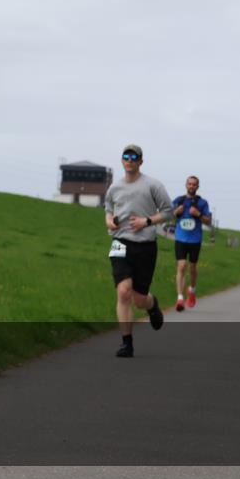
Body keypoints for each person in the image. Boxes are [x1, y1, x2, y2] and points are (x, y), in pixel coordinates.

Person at [105, 144, 174, 358]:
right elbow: (108, 210)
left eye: (134, 157)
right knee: (123, 291)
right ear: (122, 160)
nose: (130, 160)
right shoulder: (114, 188)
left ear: (141, 161)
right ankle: (127, 343)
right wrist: (110, 222)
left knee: (139, 299)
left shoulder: (153, 185)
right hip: (120, 243)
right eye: (126, 156)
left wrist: (147, 221)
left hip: (145, 245)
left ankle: (152, 306)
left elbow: (168, 212)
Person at [171, 176, 212, 311]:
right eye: (189, 184)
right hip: (180, 238)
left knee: (192, 268)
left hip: (195, 240)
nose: (192, 186)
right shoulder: (179, 200)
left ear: (197, 187)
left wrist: (198, 214)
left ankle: (192, 291)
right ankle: (180, 298)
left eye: (194, 184)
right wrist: (176, 212)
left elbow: (208, 221)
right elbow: (169, 215)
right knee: (182, 266)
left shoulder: (202, 203)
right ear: (186, 185)